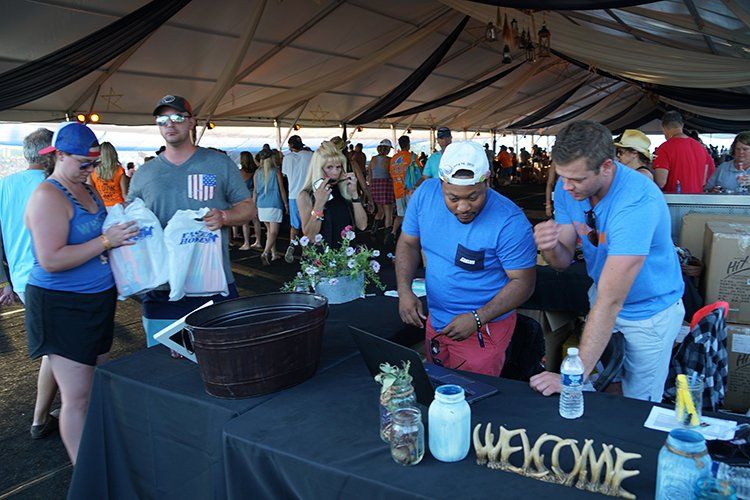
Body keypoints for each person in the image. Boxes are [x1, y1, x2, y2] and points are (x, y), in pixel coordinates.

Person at [530, 121, 685, 402]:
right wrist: (550, 247)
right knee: (604, 386)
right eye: (562, 176)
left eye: (576, 179)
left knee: (637, 403)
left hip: (648, 312)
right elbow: (562, 261)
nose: (566, 187)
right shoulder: (569, 188)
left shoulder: (637, 202)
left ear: (606, 166)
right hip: (601, 296)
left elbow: (612, 300)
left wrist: (573, 378)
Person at [24, 122, 138, 463]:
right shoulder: (48, 195)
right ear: (59, 155)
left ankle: (96, 457)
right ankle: (85, 475)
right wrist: (106, 241)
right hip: (61, 305)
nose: (90, 171)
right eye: (83, 164)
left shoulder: (83, 187)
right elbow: (51, 260)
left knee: (94, 387)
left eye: (93, 164)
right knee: (77, 397)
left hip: (95, 301)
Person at [396, 141, 536, 377]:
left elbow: (524, 282)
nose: (462, 207)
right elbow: (408, 243)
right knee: (439, 391)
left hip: (484, 330)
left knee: (475, 401)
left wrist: (477, 318)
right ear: (440, 185)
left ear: (487, 182)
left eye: (473, 197)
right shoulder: (424, 195)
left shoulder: (510, 222)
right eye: (452, 198)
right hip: (437, 322)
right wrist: (404, 290)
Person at [126, 95, 256, 348]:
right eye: (162, 119)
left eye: (177, 117)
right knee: (163, 364)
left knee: (222, 359)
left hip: (212, 283)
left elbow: (247, 208)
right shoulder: (145, 173)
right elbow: (132, 216)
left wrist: (225, 216)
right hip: (162, 287)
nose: (170, 124)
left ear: (191, 122)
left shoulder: (218, 163)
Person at [0, 128, 61, 440]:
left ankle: (69, 402)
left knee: (58, 344)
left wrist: (3, 281)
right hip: (51, 276)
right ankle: (40, 419)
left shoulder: (4, 185)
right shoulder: (52, 185)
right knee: (56, 348)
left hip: (22, 279)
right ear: (51, 154)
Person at [297, 141, 367, 246]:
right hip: (323, 258)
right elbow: (310, 236)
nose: (335, 172)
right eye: (329, 167)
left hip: (346, 255)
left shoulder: (344, 190)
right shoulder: (306, 195)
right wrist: (319, 205)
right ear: (318, 169)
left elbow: (362, 225)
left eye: (338, 167)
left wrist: (354, 195)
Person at [653, 111, 715, 193]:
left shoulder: (664, 148)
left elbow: (660, 182)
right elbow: (704, 181)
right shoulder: (701, 147)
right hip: (697, 200)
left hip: (675, 202)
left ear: (663, 128)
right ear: (682, 125)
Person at [281, 135, 313, 262]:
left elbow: (285, 174)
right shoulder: (310, 155)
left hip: (293, 195)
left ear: (290, 146)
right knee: (307, 224)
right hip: (307, 194)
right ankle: (306, 250)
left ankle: (292, 244)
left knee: (294, 225)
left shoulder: (287, 158)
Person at [254, 152, 288, 265]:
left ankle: (274, 254)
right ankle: (265, 252)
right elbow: (282, 189)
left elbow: (255, 190)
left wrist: (253, 204)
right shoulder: (276, 171)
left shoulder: (257, 173)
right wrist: (286, 203)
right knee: (274, 231)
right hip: (274, 203)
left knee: (269, 231)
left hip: (261, 204)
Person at [388, 135, 422, 246]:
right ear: (408, 144)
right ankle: (410, 237)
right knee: (413, 214)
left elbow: (391, 174)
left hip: (397, 190)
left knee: (400, 214)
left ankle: (392, 233)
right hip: (410, 190)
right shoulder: (412, 157)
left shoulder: (394, 159)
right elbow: (420, 172)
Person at [367, 139, 395, 234]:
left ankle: (373, 231)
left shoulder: (373, 159)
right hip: (386, 186)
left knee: (380, 211)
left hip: (375, 186)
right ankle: (388, 238)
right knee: (389, 213)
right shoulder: (389, 160)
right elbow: (392, 175)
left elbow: (369, 175)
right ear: (387, 149)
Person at [89, 141, 128, 208]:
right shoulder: (119, 170)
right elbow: (124, 194)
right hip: (118, 206)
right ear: (113, 154)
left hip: (101, 207)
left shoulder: (92, 170)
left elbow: (90, 193)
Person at [238, 151, 262, 250]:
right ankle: (258, 241)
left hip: (243, 198)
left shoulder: (240, 172)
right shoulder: (256, 171)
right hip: (254, 197)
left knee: (245, 222)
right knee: (256, 221)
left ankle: (246, 243)